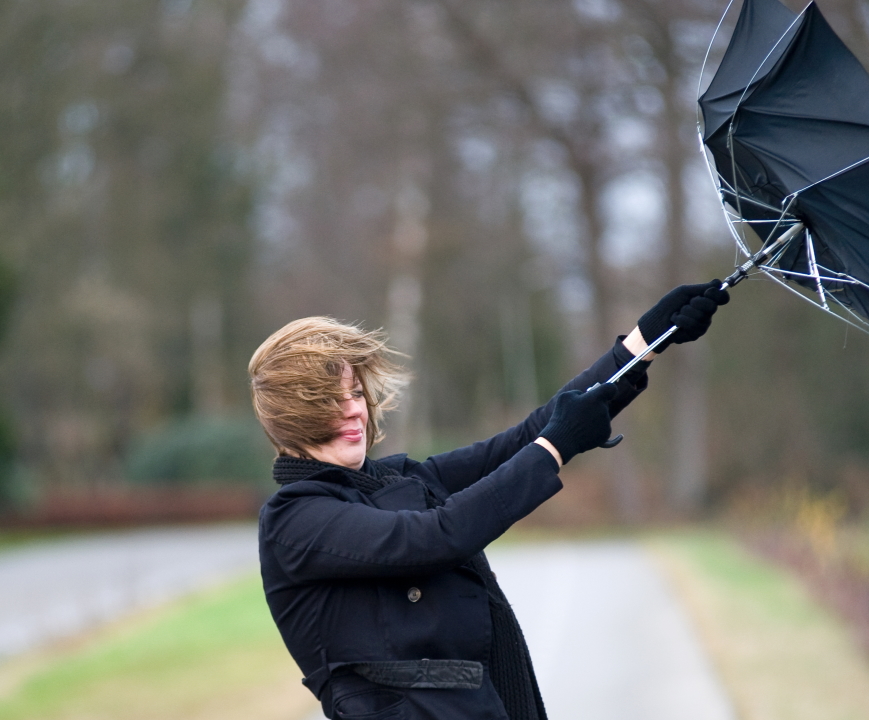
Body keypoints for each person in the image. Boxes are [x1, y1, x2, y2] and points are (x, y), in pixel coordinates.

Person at [249, 281, 729, 720]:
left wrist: (641, 345)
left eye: (355, 392)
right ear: (293, 416)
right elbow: (436, 537)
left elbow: (524, 438)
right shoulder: (294, 520)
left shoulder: (395, 479)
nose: (354, 407)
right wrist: (555, 448)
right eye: (331, 400)